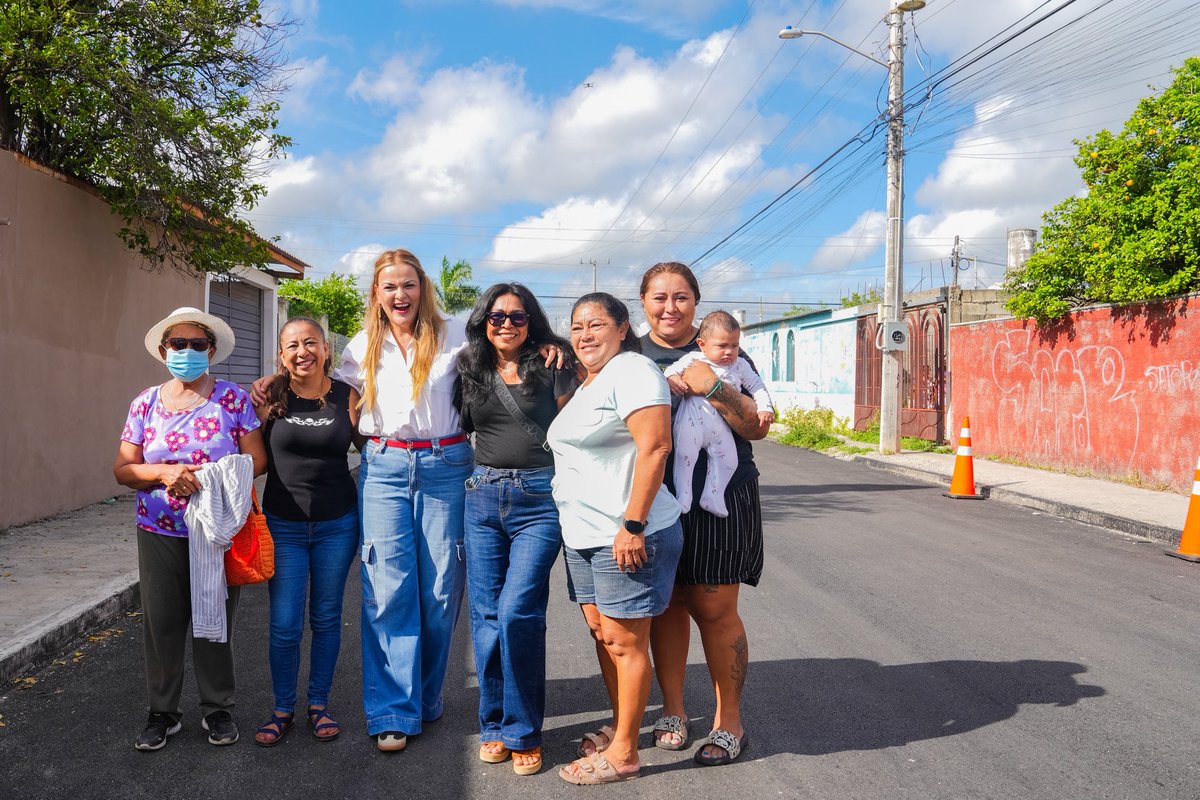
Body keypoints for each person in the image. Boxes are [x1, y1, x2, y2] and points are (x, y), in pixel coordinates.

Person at [336, 248, 475, 752]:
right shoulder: (360, 346)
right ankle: (393, 708)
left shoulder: (456, 334)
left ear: (423, 289)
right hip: (385, 468)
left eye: (409, 285)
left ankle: (426, 696)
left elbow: (509, 350)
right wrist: (271, 385)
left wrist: (550, 349)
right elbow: (337, 400)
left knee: (440, 589)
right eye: (390, 286)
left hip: (446, 465)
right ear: (376, 292)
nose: (401, 294)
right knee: (388, 588)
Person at [114, 306, 266, 751]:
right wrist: (162, 473)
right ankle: (163, 712)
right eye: (177, 344)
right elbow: (124, 469)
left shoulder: (232, 400)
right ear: (164, 351)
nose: (186, 351)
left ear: (211, 350)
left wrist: (209, 476)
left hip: (217, 529)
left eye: (196, 344)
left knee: (214, 617)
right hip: (158, 529)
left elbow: (257, 459)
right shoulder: (145, 403)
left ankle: (218, 708)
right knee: (162, 622)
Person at [638, 262, 771, 767]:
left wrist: (712, 386)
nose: (670, 307)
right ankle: (672, 711)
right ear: (643, 303)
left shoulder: (726, 349)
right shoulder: (631, 356)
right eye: (659, 297)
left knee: (715, 610)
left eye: (680, 297)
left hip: (723, 498)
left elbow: (757, 429)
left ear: (696, 301)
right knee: (666, 605)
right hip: (653, 499)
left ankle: (728, 721)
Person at [548, 292, 683, 786]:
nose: (585, 334)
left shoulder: (633, 372)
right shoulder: (593, 382)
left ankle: (625, 752)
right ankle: (621, 725)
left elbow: (656, 446)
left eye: (596, 324)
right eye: (577, 326)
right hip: (583, 534)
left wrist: (633, 524)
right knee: (604, 636)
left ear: (623, 327)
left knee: (625, 643)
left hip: (622, 534)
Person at [455, 283, 577, 776]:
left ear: (533, 322)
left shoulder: (553, 363)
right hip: (482, 495)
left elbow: (581, 415)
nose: (507, 323)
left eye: (518, 316)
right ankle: (494, 725)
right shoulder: (468, 367)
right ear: (484, 320)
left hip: (539, 499)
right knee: (485, 615)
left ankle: (524, 731)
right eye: (497, 316)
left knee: (518, 610)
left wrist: (565, 349)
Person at [251, 318, 361, 747]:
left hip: (338, 523)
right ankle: (282, 709)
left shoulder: (346, 396)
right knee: (284, 623)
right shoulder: (268, 397)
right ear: (281, 355)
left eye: (310, 343)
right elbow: (250, 453)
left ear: (326, 349)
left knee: (327, 617)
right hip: (284, 526)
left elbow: (371, 447)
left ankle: (318, 704)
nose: (303, 352)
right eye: (292, 345)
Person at [664, 310, 774, 517]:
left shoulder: (740, 365)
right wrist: (673, 379)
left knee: (728, 460)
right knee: (685, 455)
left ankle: (713, 496)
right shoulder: (693, 359)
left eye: (734, 345)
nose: (729, 352)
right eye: (722, 346)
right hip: (692, 419)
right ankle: (683, 495)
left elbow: (757, 386)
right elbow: (669, 371)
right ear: (702, 345)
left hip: (721, 424)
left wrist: (765, 407)